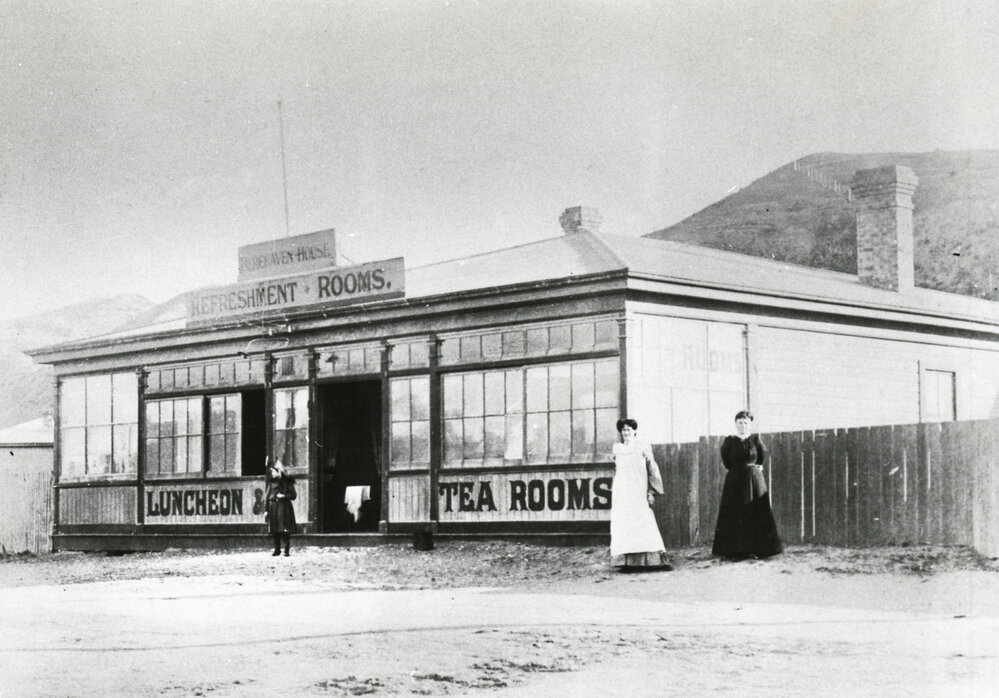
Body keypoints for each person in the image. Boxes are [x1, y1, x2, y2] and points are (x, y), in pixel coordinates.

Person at [711, 411, 783, 560]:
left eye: (745, 423)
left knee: (755, 511)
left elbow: (761, 457)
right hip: (735, 481)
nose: (743, 426)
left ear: (750, 425)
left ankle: (758, 550)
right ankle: (736, 551)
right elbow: (726, 461)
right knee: (736, 513)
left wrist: (754, 467)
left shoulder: (756, 440)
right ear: (735, 424)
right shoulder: (729, 441)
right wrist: (739, 468)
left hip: (754, 480)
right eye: (740, 423)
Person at [610, 418, 669, 570]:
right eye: (623, 430)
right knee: (624, 524)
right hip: (622, 493)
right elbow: (617, 472)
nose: (626, 433)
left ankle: (652, 561)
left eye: (629, 429)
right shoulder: (617, 449)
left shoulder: (643, 448)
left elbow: (653, 471)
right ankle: (627, 562)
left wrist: (651, 492)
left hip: (639, 492)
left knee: (644, 522)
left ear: (635, 431)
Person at [265, 459, 297, 556]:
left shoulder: (287, 483)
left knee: (284, 528)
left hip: (284, 507)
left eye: (274, 471)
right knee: (275, 529)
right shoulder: (271, 483)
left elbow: (293, 495)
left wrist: (284, 496)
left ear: (279, 472)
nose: (272, 473)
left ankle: (286, 549)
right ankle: (277, 549)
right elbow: (267, 497)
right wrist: (266, 510)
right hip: (273, 507)